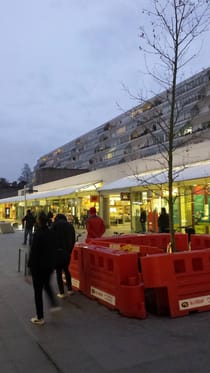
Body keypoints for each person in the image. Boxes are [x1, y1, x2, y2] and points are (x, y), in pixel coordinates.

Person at [28, 211, 61, 325]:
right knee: (46, 285)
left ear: (38, 221)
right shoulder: (52, 233)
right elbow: (55, 249)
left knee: (38, 292)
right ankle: (54, 304)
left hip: (38, 267)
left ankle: (40, 316)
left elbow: (34, 253)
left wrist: (29, 269)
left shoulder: (38, 234)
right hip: (49, 266)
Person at [51, 214, 76, 298]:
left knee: (58, 272)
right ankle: (70, 289)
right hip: (66, 252)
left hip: (57, 252)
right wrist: (69, 250)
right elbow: (73, 239)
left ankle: (61, 292)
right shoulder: (70, 225)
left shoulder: (55, 225)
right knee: (66, 270)